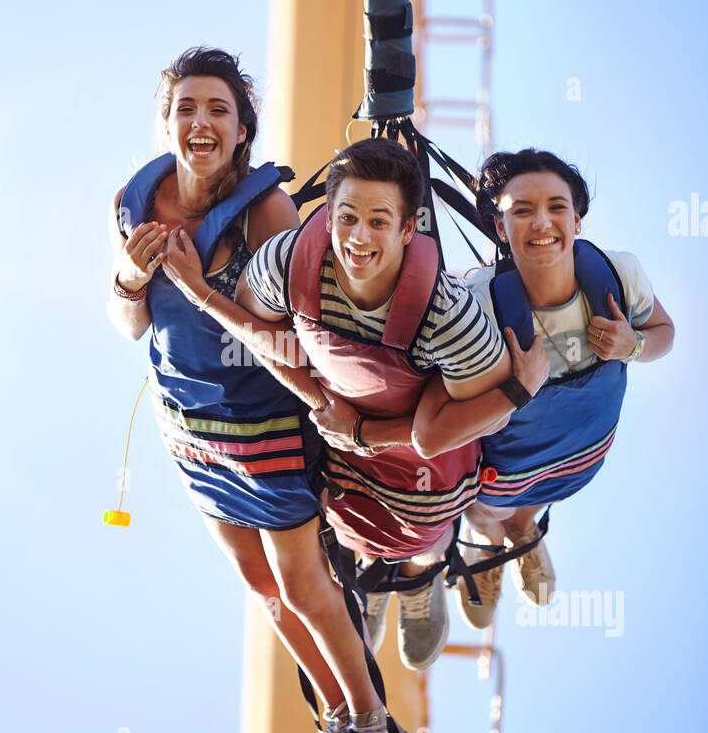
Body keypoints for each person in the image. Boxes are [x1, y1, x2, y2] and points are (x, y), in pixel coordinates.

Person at [107, 46, 416, 733]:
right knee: (257, 584)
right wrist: (130, 278)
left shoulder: (262, 213)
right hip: (189, 428)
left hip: (262, 425)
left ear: (242, 128)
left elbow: (293, 339)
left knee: (302, 583)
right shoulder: (133, 205)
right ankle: (338, 722)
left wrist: (199, 288)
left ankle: (372, 722)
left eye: (218, 109)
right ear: (166, 123)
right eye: (186, 109)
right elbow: (127, 324)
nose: (201, 123)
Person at [168, 135, 550, 671]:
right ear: (326, 217)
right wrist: (320, 404)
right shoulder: (288, 262)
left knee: (426, 536)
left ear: (407, 227)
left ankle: (422, 578)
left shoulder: (448, 317)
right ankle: (372, 582)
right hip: (346, 463)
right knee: (355, 535)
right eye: (347, 217)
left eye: (378, 221)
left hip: (427, 472)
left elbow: (460, 425)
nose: (359, 237)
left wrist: (517, 390)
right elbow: (265, 337)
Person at [451, 148, 675, 627]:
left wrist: (632, 344)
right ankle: (490, 546)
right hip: (508, 456)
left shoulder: (619, 275)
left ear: (577, 219)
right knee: (483, 510)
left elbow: (665, 334)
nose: (542, 222)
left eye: (556, 207)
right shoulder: (478, 302)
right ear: (499, 227)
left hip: (584, 447)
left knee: (531, 502)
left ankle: (525, 530)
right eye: (522, 210)